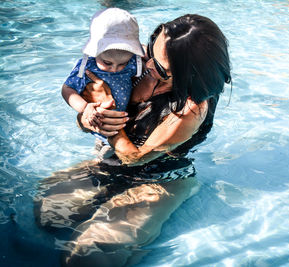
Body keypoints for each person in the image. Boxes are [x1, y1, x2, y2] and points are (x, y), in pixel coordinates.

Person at [35, 14, 231, 267]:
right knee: (49, 216)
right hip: (113, 161)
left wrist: (112, 118)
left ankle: (174, 201)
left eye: (159, 67)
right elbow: (90, 118)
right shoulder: (135, 65)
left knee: (87, 256)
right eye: (148, 49)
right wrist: (88, 116)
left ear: (188, 74)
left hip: (159, 178)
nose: (146, 65)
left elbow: (134, 158)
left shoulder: (191, 109)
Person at [62, 8, 144, 141]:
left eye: (123, 63)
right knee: (103, 150)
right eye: (107, 62)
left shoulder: (135, 60)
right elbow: (67, 89)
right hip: (99, 123)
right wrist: (85, 108)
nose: (114, 69)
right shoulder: (88, 66)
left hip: (125, 122)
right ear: (95, 52)